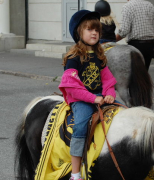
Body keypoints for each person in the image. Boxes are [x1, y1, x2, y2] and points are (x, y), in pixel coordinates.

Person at [58, 10, 117, 180]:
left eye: (97, 30)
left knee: (123, 112)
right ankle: (75, 173)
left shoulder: (99, 56)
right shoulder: (74, 57)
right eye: (89, 29)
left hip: (99, 96)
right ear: (79, 33)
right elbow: (71, 87)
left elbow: (108, 81)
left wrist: (110, 94)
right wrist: (93, 98)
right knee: (81, 126)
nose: (94, 33)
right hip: (81, 100)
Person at [115, 0, 154, 71]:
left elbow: (124, 31)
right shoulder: (150, 5)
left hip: (135, 46)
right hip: (149, 45)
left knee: (136, 75)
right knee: (144, 73)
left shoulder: (127, 6)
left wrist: (112, 40)